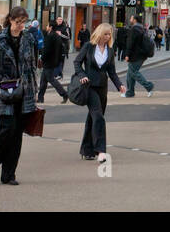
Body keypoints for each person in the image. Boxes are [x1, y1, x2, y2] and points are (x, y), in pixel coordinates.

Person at [0, 6, 41, 185]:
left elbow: (32, 66)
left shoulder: (28, 37)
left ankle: (9, 174)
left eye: (24, 22)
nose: (21, 26)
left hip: (23, 91)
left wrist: (34, 91)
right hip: (4, 90)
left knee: (17, 134)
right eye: (18, 22)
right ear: (10, 20)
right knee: (6, 129)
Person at [70, 22, 125, 164]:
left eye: (110, 34)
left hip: (102, 88)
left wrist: (119, 85)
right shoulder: (89, 46)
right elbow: (77, 62)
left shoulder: (110, 50)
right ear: (100, 33)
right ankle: (101, 150)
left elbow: (111, 71)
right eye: (106, 34)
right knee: (98, 117)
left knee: (93, 118)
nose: (108, 36)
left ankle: (87, 150)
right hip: (90, 87)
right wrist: (82, 75)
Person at [124, 15, 156, 98]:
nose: (130, 19)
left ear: (134, 20)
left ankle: (149, 86)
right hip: (142, 54)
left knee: (133, 72)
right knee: (129, 74)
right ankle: (130, 92)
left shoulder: (134, 29)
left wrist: (127, 54)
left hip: (136, 55)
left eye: (131, 18)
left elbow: (130, 43)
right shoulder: (142, 28)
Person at [39, 20, 70, 104]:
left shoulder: (51, 36)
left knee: (51, 79)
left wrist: (42, 57)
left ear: (50, 27)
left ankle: (64, 94)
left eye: (47, 25)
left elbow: (47, 50)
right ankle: (40, 98)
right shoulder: (55, 36)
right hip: (52, 61)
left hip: (49, 61)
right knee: (43, 80)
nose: (46, 27)